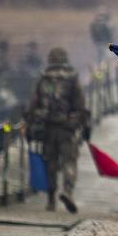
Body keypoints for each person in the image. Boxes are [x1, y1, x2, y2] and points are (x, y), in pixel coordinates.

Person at [26, 47, 89, 213]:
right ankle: (67, 191)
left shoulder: (43, 78)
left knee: (50, 163)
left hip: (46, 128)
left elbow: (33, 105)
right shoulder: (72, 78)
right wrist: (84, 126)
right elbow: (80, 105)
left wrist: (30, 128)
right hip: (67, 129)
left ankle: (51, 200)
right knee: (70, 161)